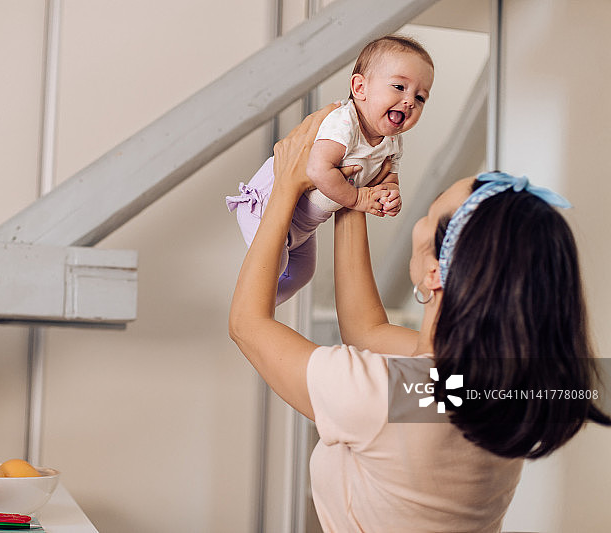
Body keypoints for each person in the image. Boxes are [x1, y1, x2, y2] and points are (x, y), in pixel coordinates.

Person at [228, 102, 610, 532]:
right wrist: (357, 190)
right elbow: (366, 330)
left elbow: (248, 325)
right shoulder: (492, 386)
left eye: (427, 215)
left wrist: (285, 185)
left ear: (434, 273)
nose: (421, 217)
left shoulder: (388, 396)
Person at [225, 35, 434, 305]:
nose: (409, 102)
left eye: (420, 97)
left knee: (302, 274)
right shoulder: (344, 122)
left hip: (304, 226)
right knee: (273, 265)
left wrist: (391, 192)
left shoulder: (393, 141)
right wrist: (359, 199)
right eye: (398, 87)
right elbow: (318, 169)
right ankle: (251, 304)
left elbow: (389, 175)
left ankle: (264, 307)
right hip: (266, 206)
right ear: (360, 87)